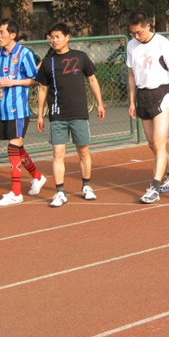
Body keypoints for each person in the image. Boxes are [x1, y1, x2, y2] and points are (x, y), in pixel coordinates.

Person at [36, 23, 106, 207]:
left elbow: (92, 79)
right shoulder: (48, 62)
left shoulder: (80, 56)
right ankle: (60, 192)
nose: (54, 40)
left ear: (67, 37)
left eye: (57, 36)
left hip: (79, 112)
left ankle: (86, 186)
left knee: (83, 151)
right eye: (51, 37)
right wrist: (40, 114)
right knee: (58, 152)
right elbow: (42, 89)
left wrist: (100, 103)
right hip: (57, 113)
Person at [127, 11, 169, 204]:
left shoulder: (161, 43)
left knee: (159, 143)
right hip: (143, 96)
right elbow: (132, 75)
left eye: (139, 32)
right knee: (152, 144)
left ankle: (154, 188)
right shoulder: (131, 46)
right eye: (133, 33)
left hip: (161, 93)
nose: (136, 36)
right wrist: (132, 101)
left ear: (148, 26)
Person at [0, 19, 46, 206]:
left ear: (12, 34)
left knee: (13, 147)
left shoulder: (24, 54)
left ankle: (16, 192)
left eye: (2, 32)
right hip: (3, 109)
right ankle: (37, 176)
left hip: (19, 109)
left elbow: (36, 80)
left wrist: (13, 82)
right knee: (18, 147)